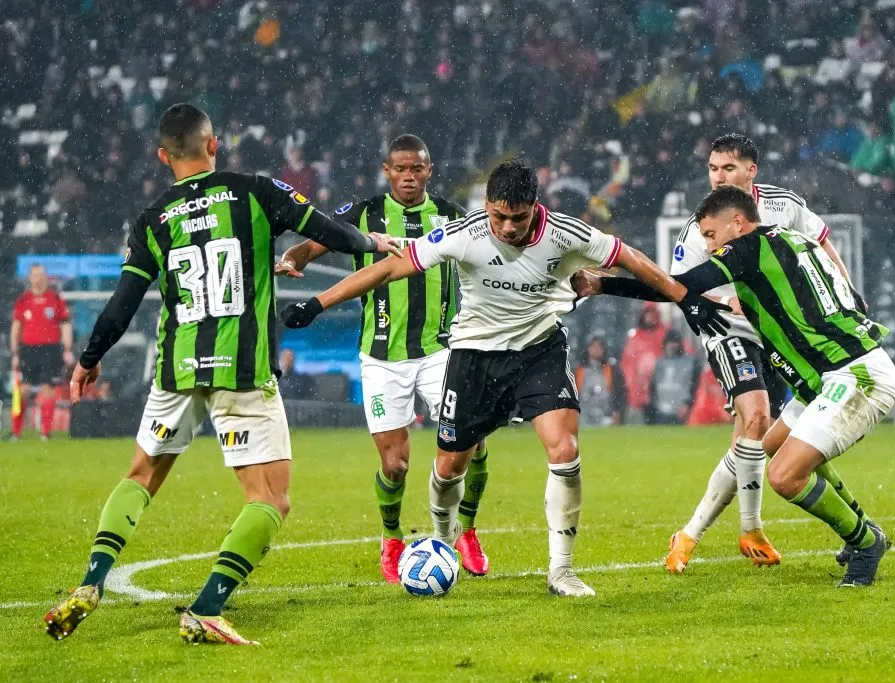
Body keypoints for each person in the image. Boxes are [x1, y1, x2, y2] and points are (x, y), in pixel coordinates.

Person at [282, 159, 728, 597]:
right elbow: (388, 268)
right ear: (488, 206)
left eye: (518, 217)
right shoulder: (465, 233)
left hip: (540, 349)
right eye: (499, 216)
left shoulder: (566, 233)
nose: (508, 227)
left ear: (535, 206)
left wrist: (686, 298)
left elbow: (628, 256)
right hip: (474, 356)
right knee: (448, 466)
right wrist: (319, 303)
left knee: (564, 447)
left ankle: (562, 571)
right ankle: (445, 541)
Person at [42, 103, 400, 646]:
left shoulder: (153, 219)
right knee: (269, 499)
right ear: (214, 145)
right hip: (242, 371)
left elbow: (121, 303)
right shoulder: (254, 190)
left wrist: (89, 360)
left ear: (164, 156)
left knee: (140, 475)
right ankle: (207, 606)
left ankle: (92, 581)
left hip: (176, 368)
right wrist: (375, 242)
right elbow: (329, 229)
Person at [578, 185, 895, 586]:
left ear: (738, 223)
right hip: (828, 376)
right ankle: (861, 528)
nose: (709, 246)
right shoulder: (793, 239)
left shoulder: (747, 248)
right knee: (768, 447)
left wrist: (605, 283)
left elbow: (681, 285)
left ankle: (865, 541)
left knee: (784, 476)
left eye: (711, 235)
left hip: (853, 374)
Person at [630, 133, 868, 574]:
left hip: (779, 334)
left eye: (728, 169)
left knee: (782, 437)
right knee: (757, 418)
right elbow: (677, 287)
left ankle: (690, 534)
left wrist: (847, 289)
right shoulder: (702, 225)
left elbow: (821, 244)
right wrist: (723, 304)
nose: (718, 177)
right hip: (728, 329)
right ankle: (750, 527)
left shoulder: (783, 206)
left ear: (750, 171)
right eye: (713, 169)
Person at [275, 134, 493, 582]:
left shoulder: (454, 217)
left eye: (417, 168)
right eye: (401, 169)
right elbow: (321, 236)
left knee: (473, 443)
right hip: (381, 356)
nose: (409, 176)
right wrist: (297, 252)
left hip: (441, 350)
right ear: (386, 170)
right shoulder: (363, 213)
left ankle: (467, 530)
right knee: (394, 465)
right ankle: (391, 536)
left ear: (429, 170)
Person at [10, 264, 74, 441]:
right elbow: (16, 327)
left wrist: (67, 348)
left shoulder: (55, 298)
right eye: (34, 275)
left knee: (48, 390)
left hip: (51, 350)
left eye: (40, 275)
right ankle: (16, 432)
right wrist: (15, 352)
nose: (38, 278)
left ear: (45, 277)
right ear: (30, 278)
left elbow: (65, 324)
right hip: (28, 350)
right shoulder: (23, 300)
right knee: (22, 390)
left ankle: (45, 433)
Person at [619, 303, 667, 424]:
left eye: (652, 314)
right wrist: (633, 387)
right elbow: (628, 364)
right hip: (639, 387)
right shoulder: (635, 337)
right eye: (648, 313)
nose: (650, 317)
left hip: (661, 386)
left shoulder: (665, 333)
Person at [648, 329, 698, 425]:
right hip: (661, 410)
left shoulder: (689, 362)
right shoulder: (659, 363)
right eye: (670, 342)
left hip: (681, 410)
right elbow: (653, 386)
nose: (672, 345)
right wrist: (653, 405)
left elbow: (694, 386)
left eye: (675, 342)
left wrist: (687, 404)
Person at [574, 336, 625, 427]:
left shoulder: (612, 369)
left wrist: (617, 411)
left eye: (599, 347)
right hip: (583, 416)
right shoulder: (579, 370)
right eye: (593, 346)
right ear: (588, 349)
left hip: (606, 416)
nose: (596, 350)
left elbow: (620, 392)